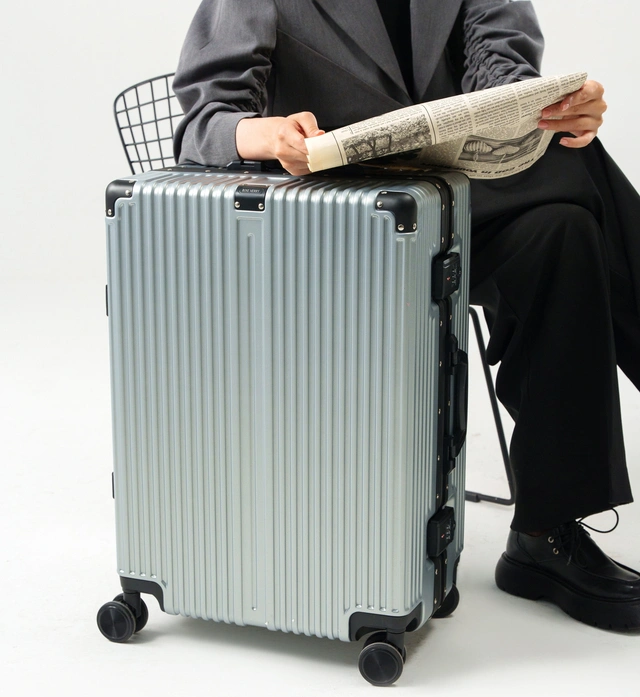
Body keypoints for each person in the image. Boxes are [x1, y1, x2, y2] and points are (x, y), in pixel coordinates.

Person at [173, 0, 640, 631]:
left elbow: (503, 70)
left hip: (464, 201)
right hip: (344, 222)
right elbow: (203, 121)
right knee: (573, 186)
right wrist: (266, 135)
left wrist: (552, 112)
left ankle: (543, 534)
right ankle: (545, 538)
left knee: (563, 223)